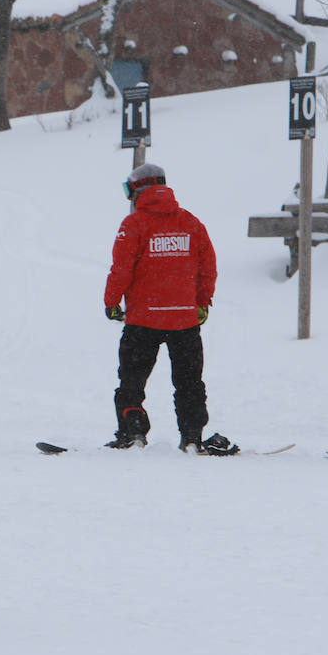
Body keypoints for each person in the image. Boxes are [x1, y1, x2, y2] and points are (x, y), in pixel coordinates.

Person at [103, 162, 237, 455]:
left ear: (138, 188)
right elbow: (208, 268)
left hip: (143, 320)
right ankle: (191, 437)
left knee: (132, 381)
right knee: (189, 382)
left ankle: (132, 434)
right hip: (184, 321)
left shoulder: (134, 225)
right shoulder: (190, 223)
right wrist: (202, 302)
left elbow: (121, 269)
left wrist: (111, 302)